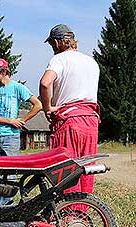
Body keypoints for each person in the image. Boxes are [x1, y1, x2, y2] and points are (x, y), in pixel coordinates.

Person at [39, 24, 100, 194]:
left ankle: (67, 215)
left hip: (69, 121)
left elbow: (45, 83)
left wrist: (47, 108)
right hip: (90, 120)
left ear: (58, 43)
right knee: (86, 169)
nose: (52, 48)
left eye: (52, 44)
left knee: (65, 171)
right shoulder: (91, 62)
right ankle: (81, 213)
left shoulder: (59, 59)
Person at [0, 58, 42, 205]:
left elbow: (38, 105)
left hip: (11, 138)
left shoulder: (17, 88)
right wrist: (12, 121)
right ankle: (1, 205)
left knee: (11, 173)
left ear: (3, 72)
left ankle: (7, 206)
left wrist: (24, 120)